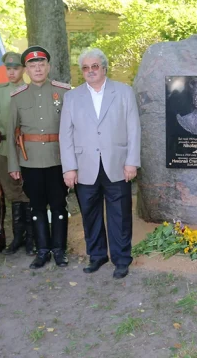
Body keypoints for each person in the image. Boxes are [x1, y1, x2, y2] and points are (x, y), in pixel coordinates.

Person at [59, 49, 141, 279]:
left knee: (120, 215)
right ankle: (97, 256)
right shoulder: (72, 97)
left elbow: (134, 129)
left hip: (117, 164)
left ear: (104, 67)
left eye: (94, 66)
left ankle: (122, 259)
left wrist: (132, 162)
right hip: (84, 166)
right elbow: (65, 135)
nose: (90, 71)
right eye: (85, 68)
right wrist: (69, 167)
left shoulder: (124, 92)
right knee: (90, 214)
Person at [7, 46, 71, 269]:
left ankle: (59, 250)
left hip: (58, 159)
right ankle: (42, 250)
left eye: (41, 65)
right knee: (37, 206)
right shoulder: (17, 97)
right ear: (26, 70)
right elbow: (11, 132)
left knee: (59, 206)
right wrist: (13, 164)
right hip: (30, 161)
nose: (37, 69)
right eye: (32, 66)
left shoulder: (64, 92)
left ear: (48, 66)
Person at [0, 52, 34, 255]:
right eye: (8, 68)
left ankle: (31, 237)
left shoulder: (30, 90)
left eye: (15, 68)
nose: (11, 72)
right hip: (4, 149)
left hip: (26, 149)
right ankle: (18, 237)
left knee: (28, 191)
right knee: (11, 193)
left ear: (24, 69)